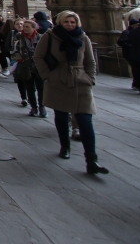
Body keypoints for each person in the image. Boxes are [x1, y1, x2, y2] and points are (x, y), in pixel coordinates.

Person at [33, 11, 107, 175]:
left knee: (85, 120)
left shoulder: (83, 37)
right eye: (67, 22)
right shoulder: (50, 36)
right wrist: (48, 75)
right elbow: (38, 57)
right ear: (60, 22)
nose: (70, 24)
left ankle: (92, 159)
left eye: (73, 22)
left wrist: (90, 78)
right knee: (61, 116)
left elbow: (90, 60)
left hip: (81, 82)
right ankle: (65, 146)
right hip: (59, 80)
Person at [16, 18, 47, 117]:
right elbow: (14, 50)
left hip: (38, 66)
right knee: (29, 88)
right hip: (25, 66)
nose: (24, 28)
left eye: (27, 27)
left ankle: (42, 107)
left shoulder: (41, 38)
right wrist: (19, 60)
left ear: (34, 28)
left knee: (41, 88)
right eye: (24, 27)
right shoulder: (19, 37)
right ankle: (34, 107)